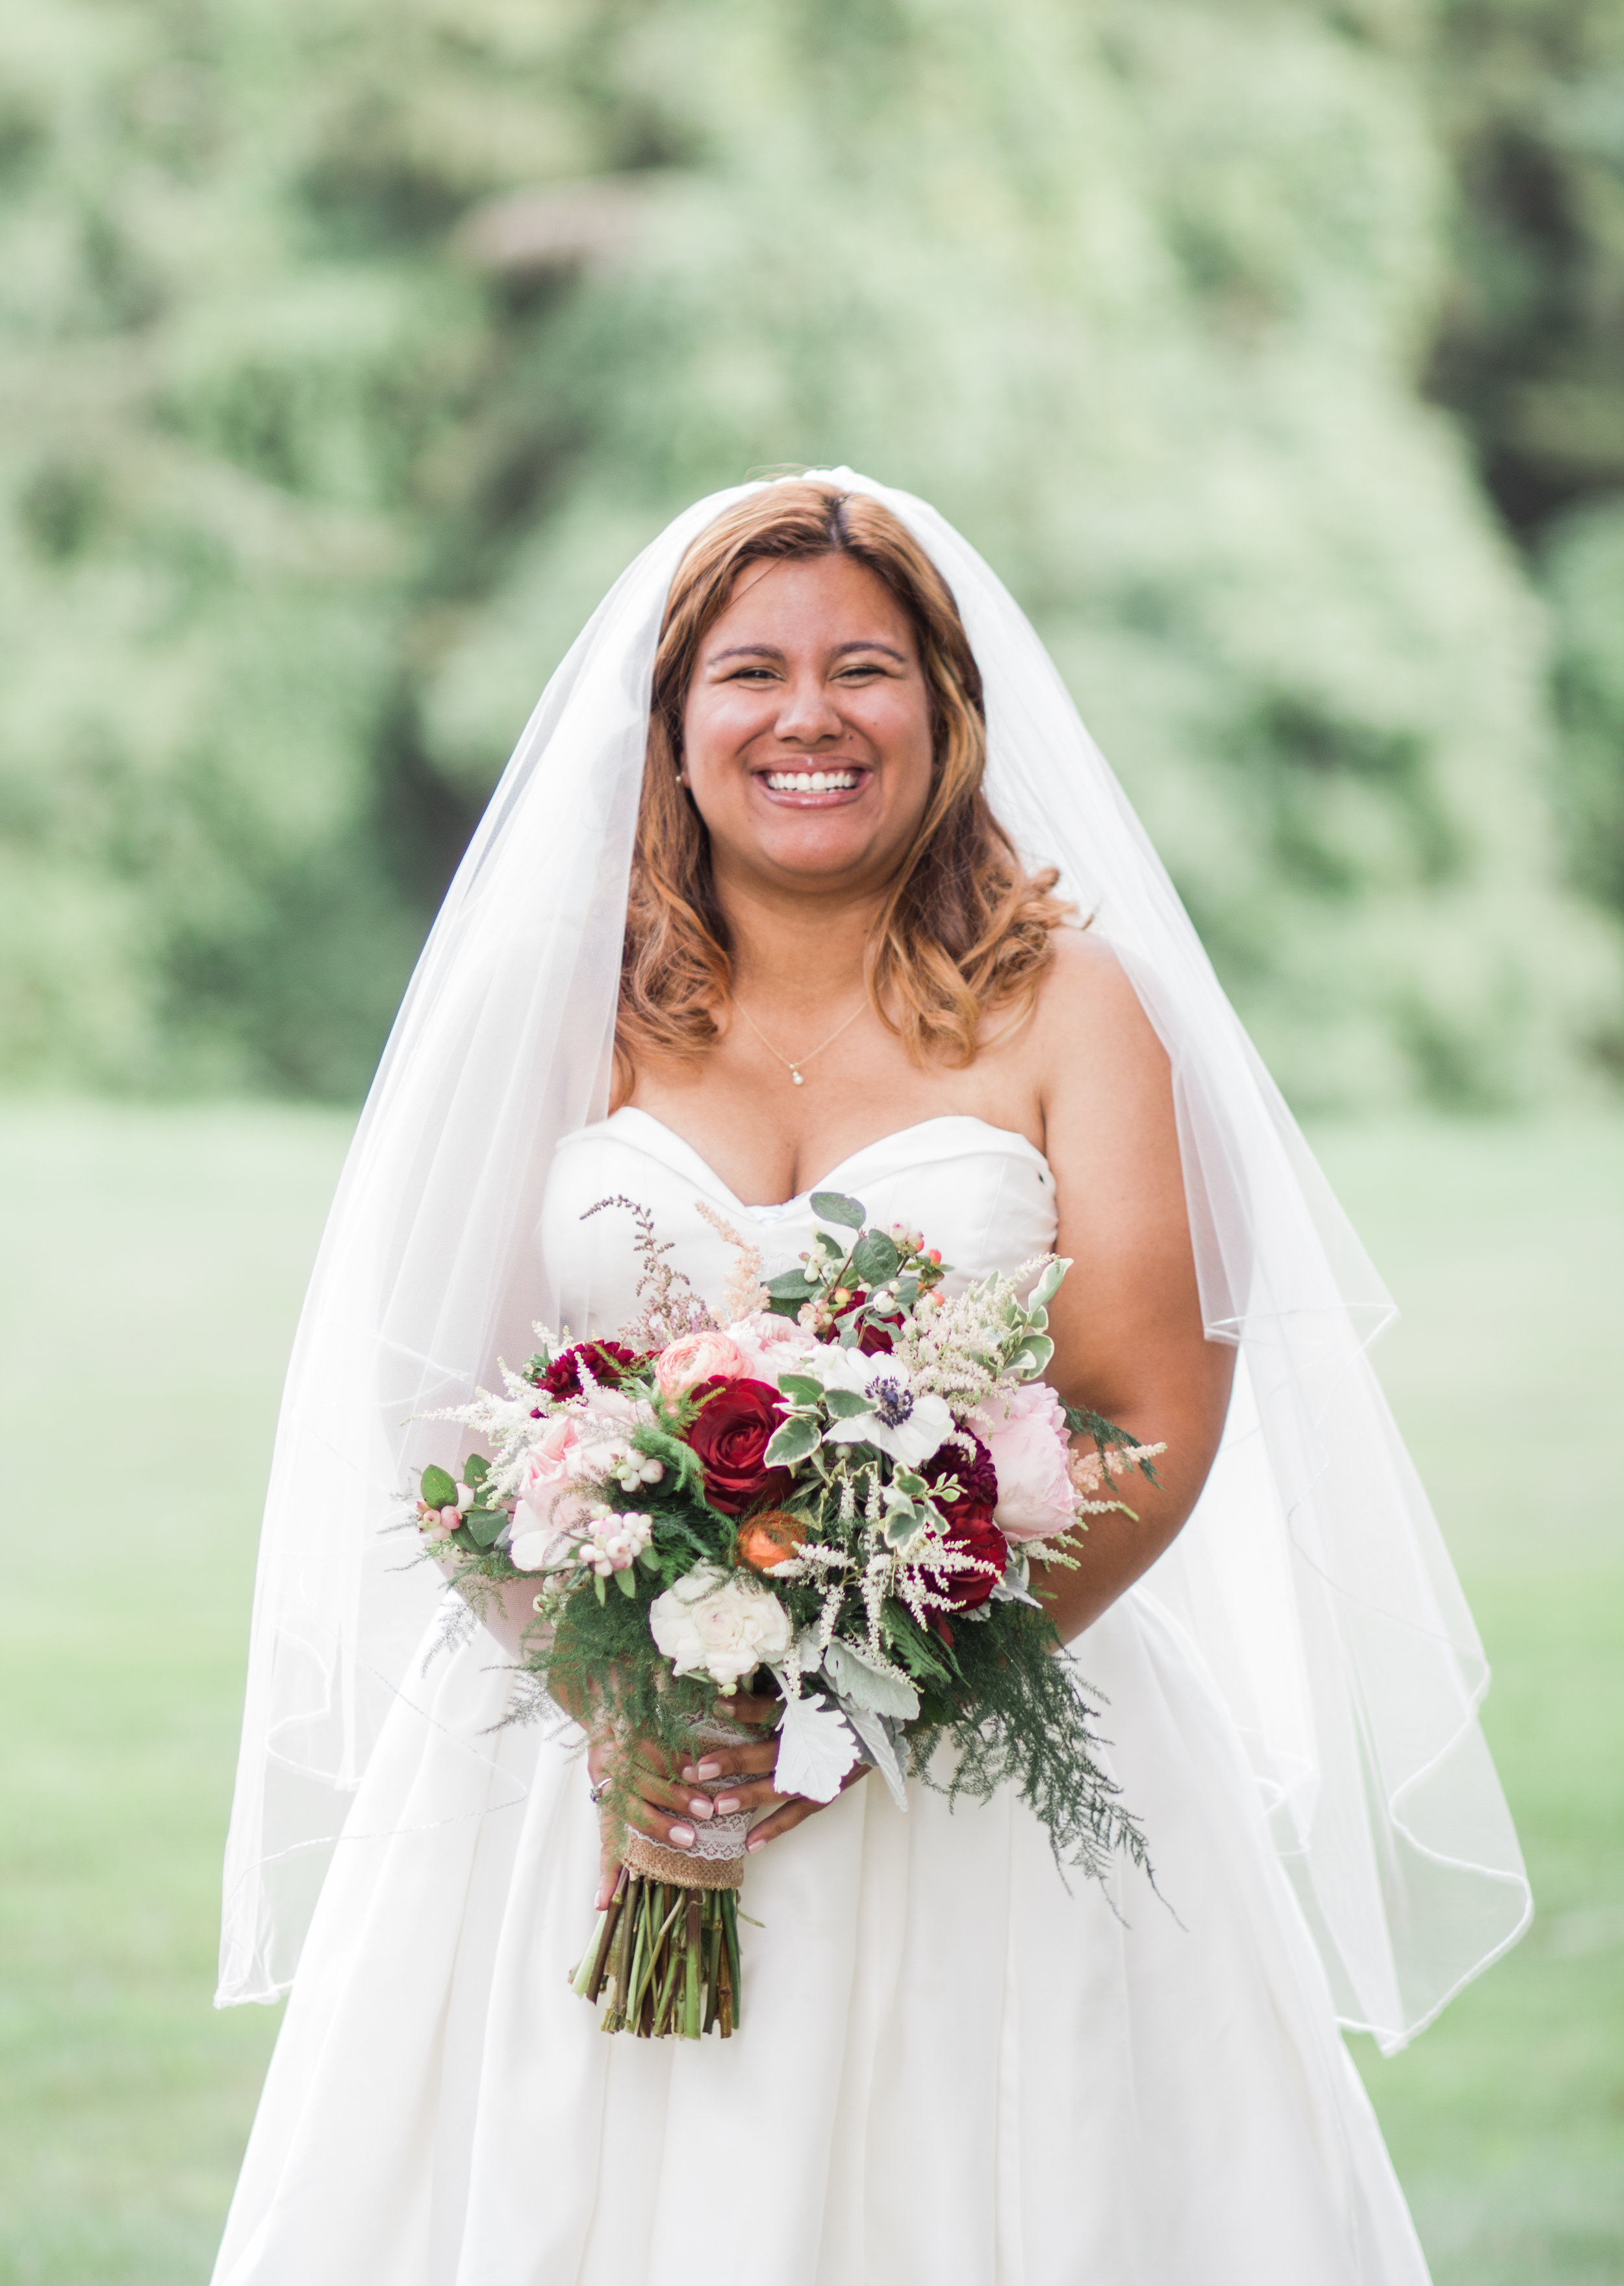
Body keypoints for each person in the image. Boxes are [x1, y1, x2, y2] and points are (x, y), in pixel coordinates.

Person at [211, 474, 1529, 2286]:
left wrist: (871, 1699)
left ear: (946, 713)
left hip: (991, 1753)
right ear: (670, 730)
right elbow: (432, 1400)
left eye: (866, 669)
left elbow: (1145, 1413)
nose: (808, 716)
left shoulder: (1076, 1006)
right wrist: (614, 1702)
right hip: (583, 1767)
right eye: (749, 672)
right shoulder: (551, 1000)